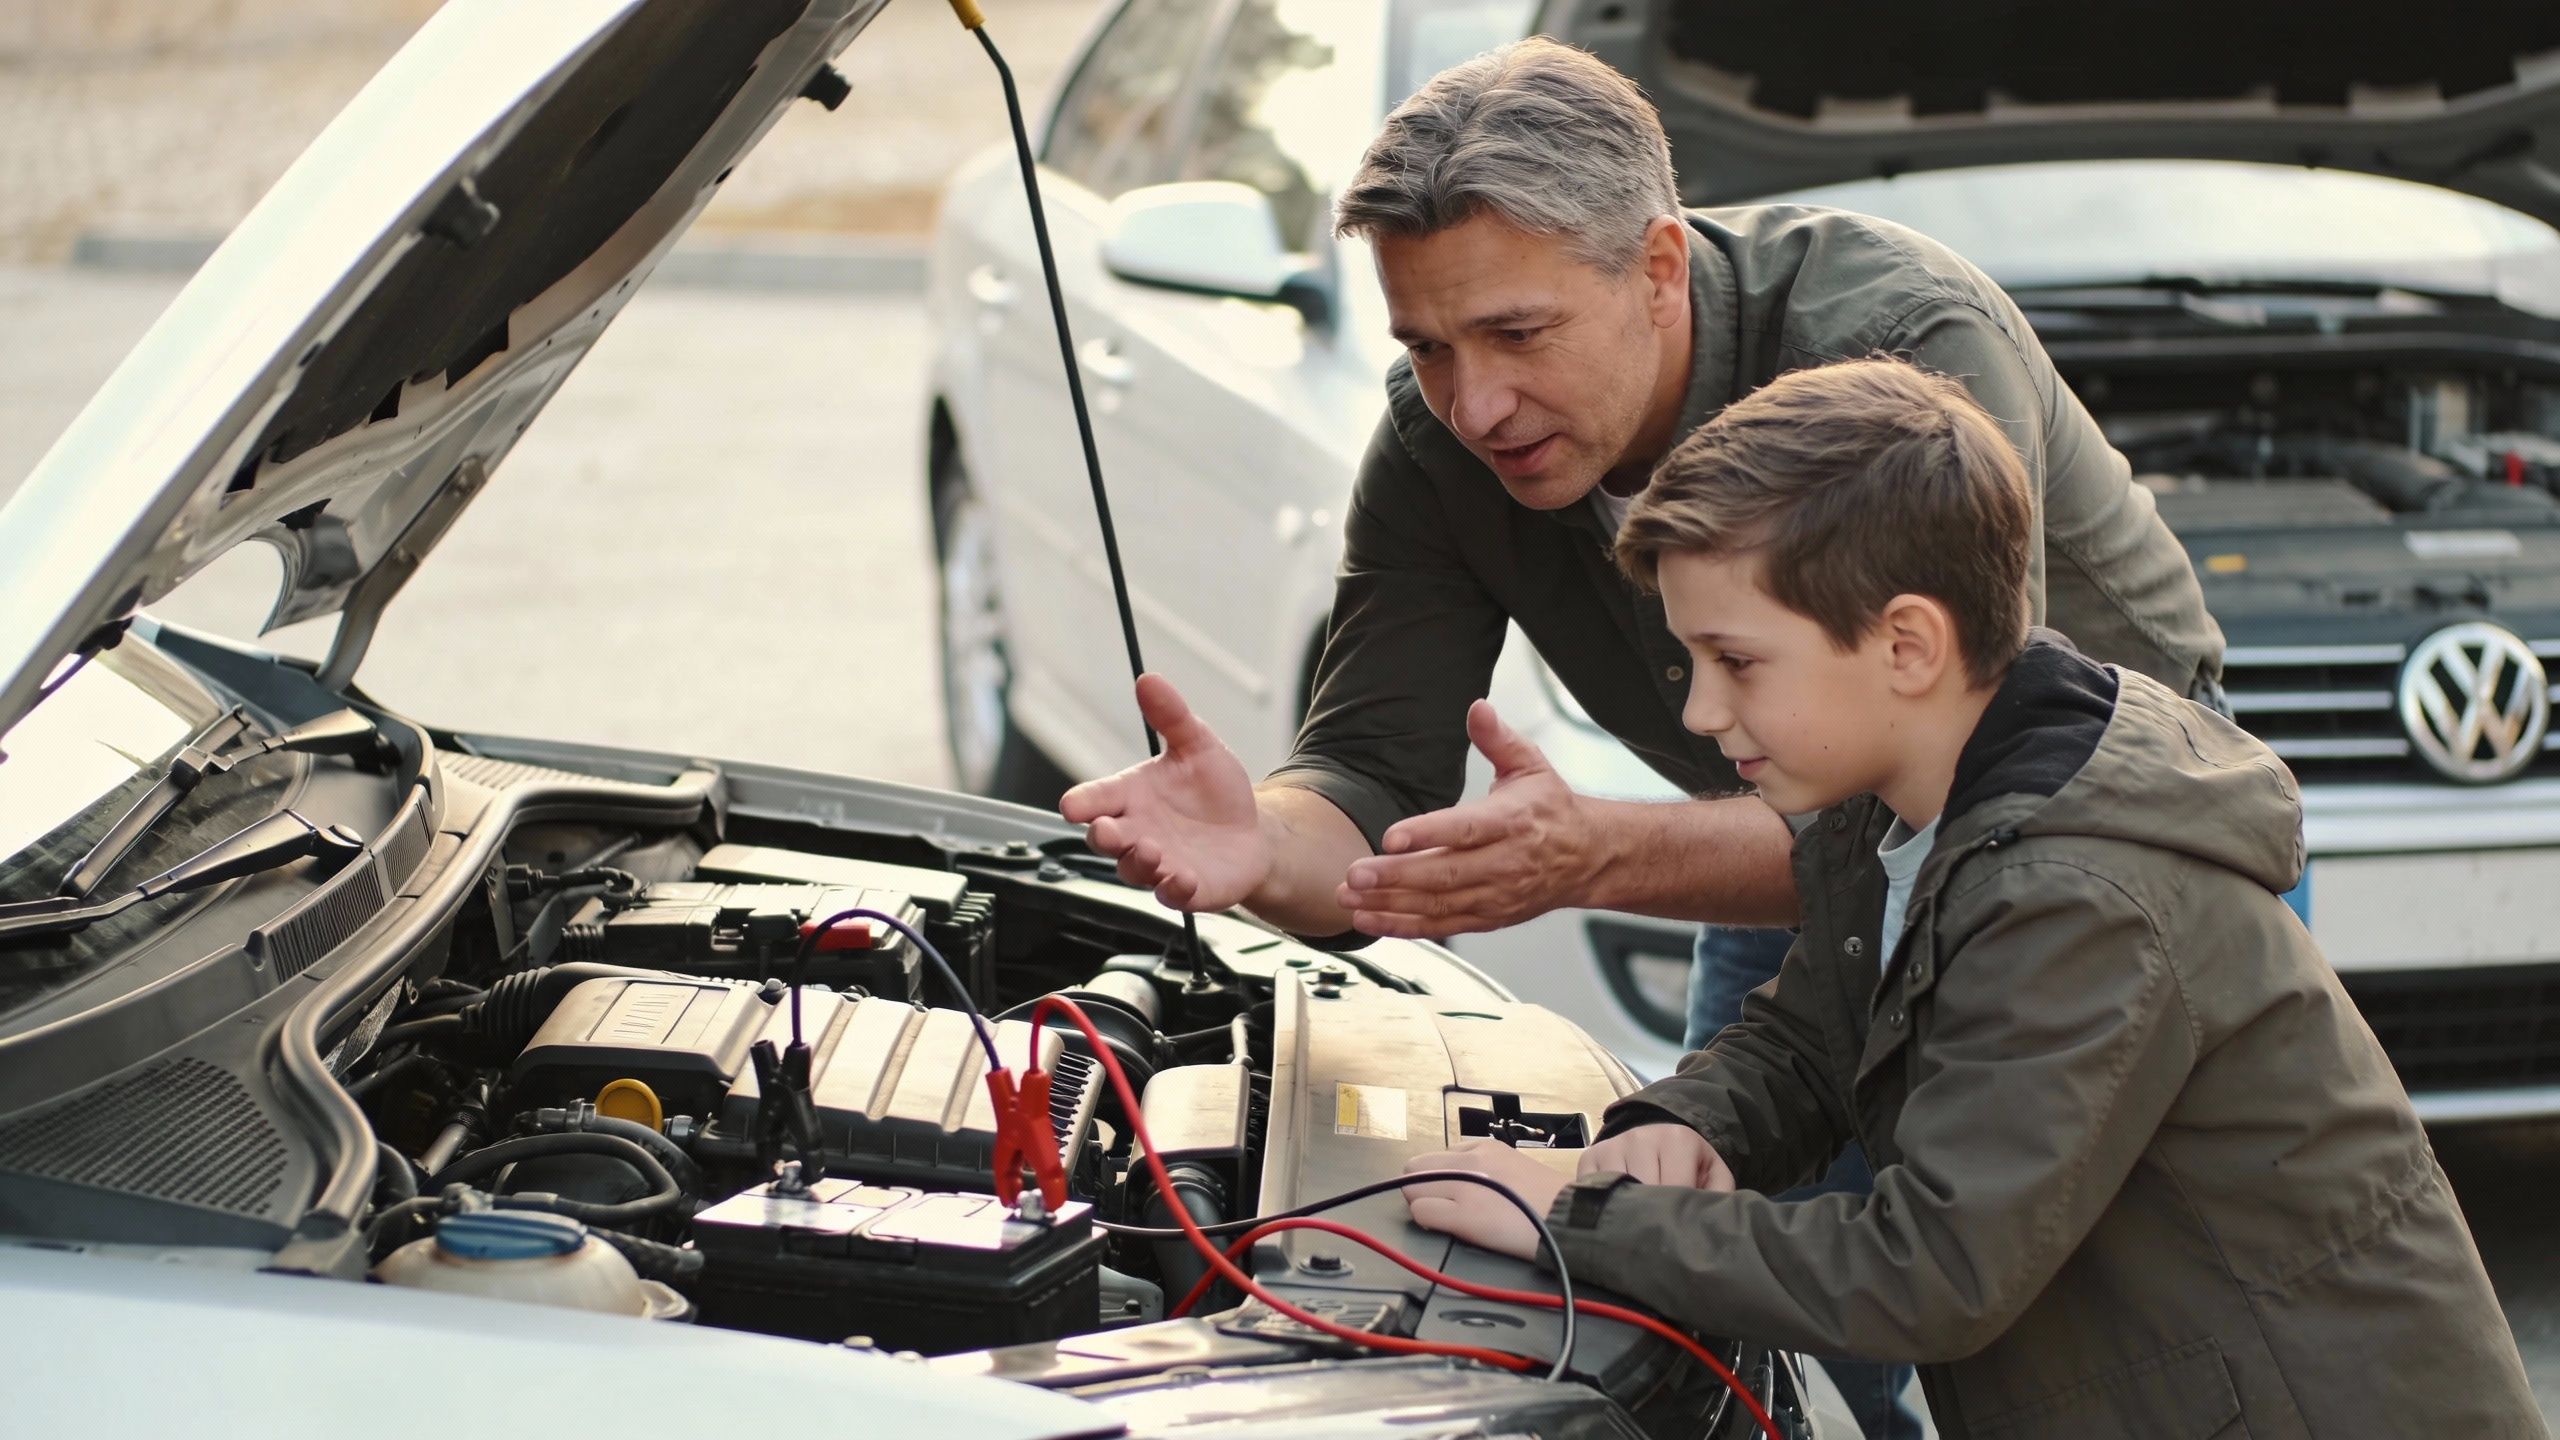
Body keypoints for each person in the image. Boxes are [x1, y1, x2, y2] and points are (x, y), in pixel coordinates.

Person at [1061, 37, 2221, 1434]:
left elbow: (1956, 809)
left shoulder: (1896, 354)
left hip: (2110, 856)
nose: (1473, 402)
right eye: (1427, 346)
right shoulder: (1441, 452)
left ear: (1661, 271)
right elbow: (1366, 781)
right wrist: (1263, 846)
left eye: (1517, 334)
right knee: (1770, 1343)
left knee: (2102, 1358)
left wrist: (1592, 856)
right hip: (1811, 845)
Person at [1397, 357, 2541, 1437]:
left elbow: (1927, 1271)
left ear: (1905, 646)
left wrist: (1582, 1227)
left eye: (1735, 662)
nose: (1698, 712)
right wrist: (1680, 1126)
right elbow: (1812, 1035)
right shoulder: (1902, 794)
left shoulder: (2075, 897)